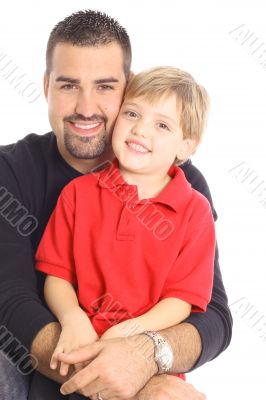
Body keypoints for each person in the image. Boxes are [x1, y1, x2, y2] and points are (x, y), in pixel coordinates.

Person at [0, 9, 232, 400]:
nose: (86, 107)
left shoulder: (186, 187)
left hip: (142, 364)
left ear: (128, 85)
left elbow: (211, 316)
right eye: (68, 85)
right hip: (33, 366)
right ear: (45, 86)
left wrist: (142, 358)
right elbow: (9, 298)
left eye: (105, 87)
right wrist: (107, 371)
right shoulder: (14, 171)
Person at [34, 66, 216, 397]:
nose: (140, 130)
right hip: (72, 354)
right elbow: (57, 276)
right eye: (132, 113)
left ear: (187, 145)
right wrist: (72, 317)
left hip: (144, 364)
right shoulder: (77, 193)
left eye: (162, 125)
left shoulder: (195, 210)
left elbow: (182, 300)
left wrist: (129, 333)